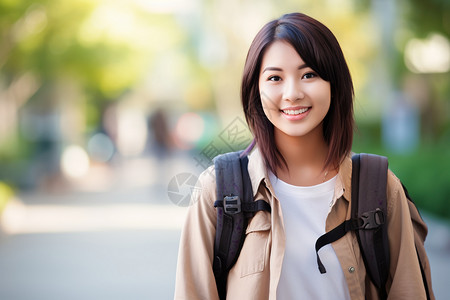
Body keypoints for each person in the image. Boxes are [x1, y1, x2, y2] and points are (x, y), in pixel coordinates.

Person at [174, 12, 432, 299]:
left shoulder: (377, 186)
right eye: (274, 77)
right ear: (255, 89)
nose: (292, 93)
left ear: (334, 83)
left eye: (309, 74)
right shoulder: (218, 190)